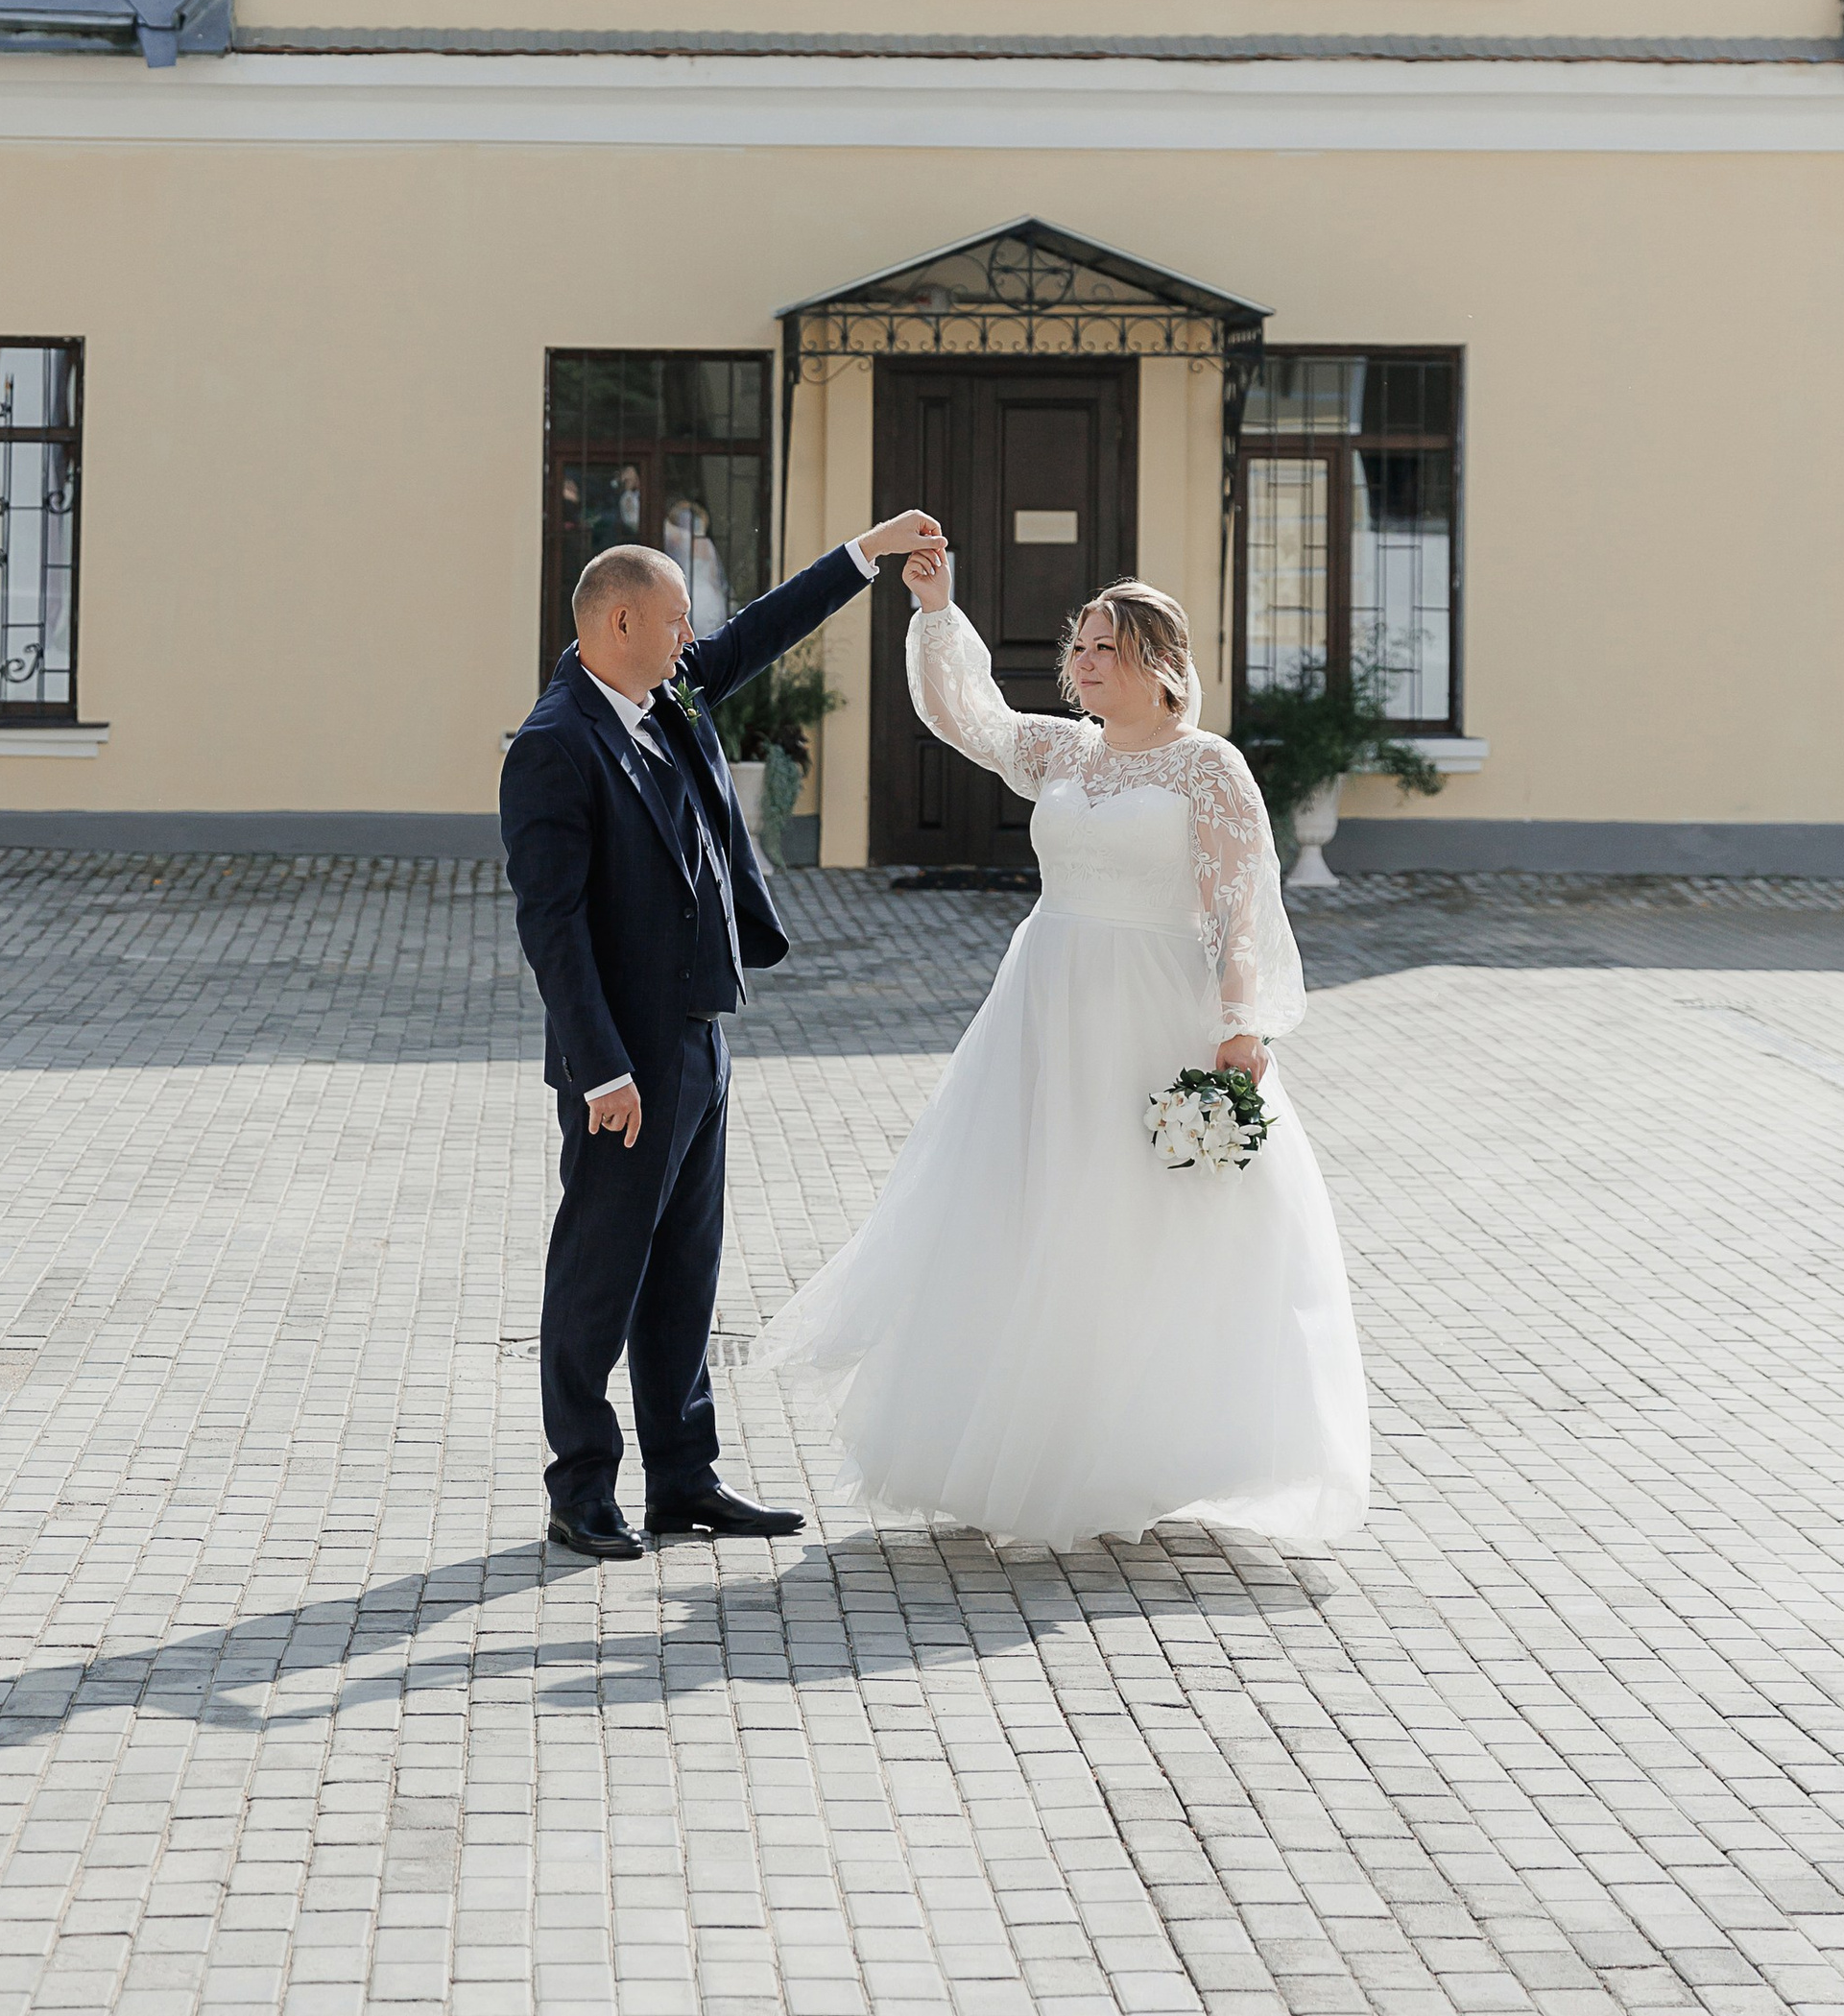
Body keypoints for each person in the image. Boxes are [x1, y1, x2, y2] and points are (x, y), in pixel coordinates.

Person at [759, 549, 1370, 1553]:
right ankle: (1022, 1439)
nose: (1083, 663)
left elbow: (1237, 909)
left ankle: (1142, 1448)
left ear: (1160, 662)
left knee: (1139, 1219)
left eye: (1106, 648)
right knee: (1027, 1202)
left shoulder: (1206, 766)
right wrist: (936, 608)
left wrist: (1238, 1027)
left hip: (1152, 1008)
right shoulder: (1065, 750)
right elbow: (968, 718)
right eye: (1077, 646)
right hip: (1044, 1002)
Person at [500, 508, 944, 1560]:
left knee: (685, 1267)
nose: (689, 638)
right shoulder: (555, 746)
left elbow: (756, 633)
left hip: (700, 1037)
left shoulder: (668, 688)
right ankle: (580, 1486)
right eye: (673, 620)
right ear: (618, 620)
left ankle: (683, 1478)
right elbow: (550, 928)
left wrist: (864, 558)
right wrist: (602, 1065)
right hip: (625, 1061)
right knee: (599, 1271)